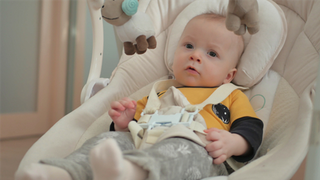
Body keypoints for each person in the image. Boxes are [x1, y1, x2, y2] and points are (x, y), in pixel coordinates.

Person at [16, 13, 263, 180]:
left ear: (228, 75)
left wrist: (233, 143)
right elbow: (133, 124)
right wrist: (123, 122)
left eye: (211, 53)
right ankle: (65, 172)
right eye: (188, 46)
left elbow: (251, 129)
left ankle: (130, 172)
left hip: (201, 150)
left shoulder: (230, 96)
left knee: (179, 150)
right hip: (143, 140)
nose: (195, 56)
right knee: (106, 142)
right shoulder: (160, 91)